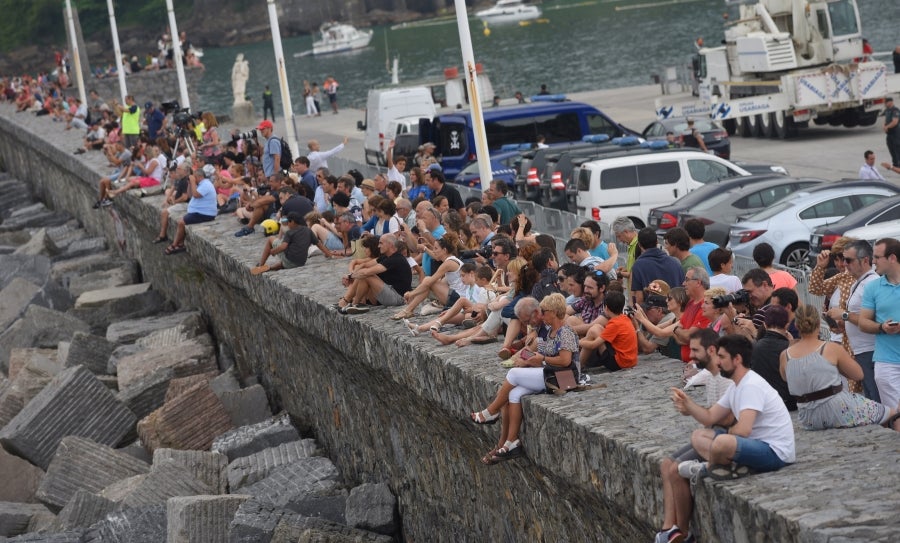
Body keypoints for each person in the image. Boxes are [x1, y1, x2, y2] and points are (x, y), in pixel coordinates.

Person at [663, 335, 795, 543]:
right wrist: (689, 406)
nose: (718, 361)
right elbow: (709, 417)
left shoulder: (751, 385)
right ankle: (724, 464)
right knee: (699, 435)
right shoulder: (736, 385)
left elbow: (743, 430)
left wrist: (720, 440)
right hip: (752, 445)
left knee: (722, 442)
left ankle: (708, 467)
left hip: (774, 452)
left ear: (737, 359)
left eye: (722, 357)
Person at [469, 295, 577, 465]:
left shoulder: (566, 332)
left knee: (513, 374)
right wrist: (524, 356)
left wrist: (536, 358)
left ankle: (490, 412)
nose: (542, 315)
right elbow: (537, 354)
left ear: (554, 313)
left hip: (562, 377)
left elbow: (565, 361)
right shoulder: (548, 331)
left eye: (544, 311)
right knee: (514, 394)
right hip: (550, 372)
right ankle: (511, 442)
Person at [657, 329, 733, 543]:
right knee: (666, 464)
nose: (691, 356)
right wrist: (689, 408)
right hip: (715, 431)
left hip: (725, 437)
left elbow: (726, 420)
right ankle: (667, 527)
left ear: (711, 350)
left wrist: (691, 408)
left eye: (695, 350)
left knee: (675, 471)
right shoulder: (711, 375)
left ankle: (682, 532)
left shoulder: (725, 377)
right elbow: (712, 415)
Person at [781, 306, 900, 431]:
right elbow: (858, 375)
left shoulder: (785, 355)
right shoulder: (830, 348)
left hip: (808, 417)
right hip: (837, 410)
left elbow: (786, 378)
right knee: (892, 414)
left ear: (796, 325)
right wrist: (836, 366)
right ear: (818, 323)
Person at [824, 240, 880, 401]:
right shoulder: (859, 282)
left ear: (865, 260)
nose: (844, 264)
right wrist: (844, 324)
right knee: (870, 395)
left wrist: (845, 316)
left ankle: (887, 425)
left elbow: (872, 319)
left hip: (870, 349)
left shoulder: (871, 283)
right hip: (860, 349)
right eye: (842, 259)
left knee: (875, 397)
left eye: (848, 260)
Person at [858, 238, 900, 409]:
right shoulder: (872, 287)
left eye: (876, 257)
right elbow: (863, 322)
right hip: (886, 362)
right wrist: (881, 327)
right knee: (896, 414)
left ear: (892, 258)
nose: (873, 261)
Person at [339, 234, 413, 313]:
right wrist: (350, 275)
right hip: (389, 294)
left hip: (399, 299)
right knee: (363, 274)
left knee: (367, 275)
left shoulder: (396, 259)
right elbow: (365, 265)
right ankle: (352, 303)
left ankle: (352, 302)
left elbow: (367, 272)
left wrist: (351, 277)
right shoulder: (386, 257)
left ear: (390, 245)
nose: (378, 246)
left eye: (381, 243)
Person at [164, 164, 218, 255]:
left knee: (181, 222)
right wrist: (190, 183)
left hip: (205, 213)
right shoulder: (200, 184)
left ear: (200, 177)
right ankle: (180, 244)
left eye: (195, 177)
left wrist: (192, 182)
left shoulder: (206, 184)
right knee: (181, 221)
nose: (193, 179)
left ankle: (174, 245)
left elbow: (196, 195)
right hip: (199, 212)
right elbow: (190, 195)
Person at [750, 305, 796, 411]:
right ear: (787, 325)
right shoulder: (789, 347)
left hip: (765, 402)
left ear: (765, 325)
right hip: (789, 403)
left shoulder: (754, 346)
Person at [579, 291, 638, 372]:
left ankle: (578, 365)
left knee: (594, 330)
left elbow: (593, 345)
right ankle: (579, 364)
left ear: (606, 308)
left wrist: (578, 341)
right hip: (630, 360)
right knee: (597, 327)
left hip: (618, 363)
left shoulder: (614, 324)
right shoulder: (624, 318)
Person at [631, 227, 684, 304]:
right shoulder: (675, 263)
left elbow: (639, 298)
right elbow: (683, 291)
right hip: (675, 311)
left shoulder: (638, 266)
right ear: (657, 242)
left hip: (651, 313)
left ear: (639, 244)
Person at [883, 96, 900, 168]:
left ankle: (898, 163)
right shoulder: (887, 110)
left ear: (890, 102)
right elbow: (886, 119)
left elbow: (895, 122)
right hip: (889, 134)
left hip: (895, 133)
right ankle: (895, 163)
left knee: (897, 148)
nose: (885, 104)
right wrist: (884, 126)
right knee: (891, 148)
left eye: (886, 102)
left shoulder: (895, 110)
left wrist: (887, 127)